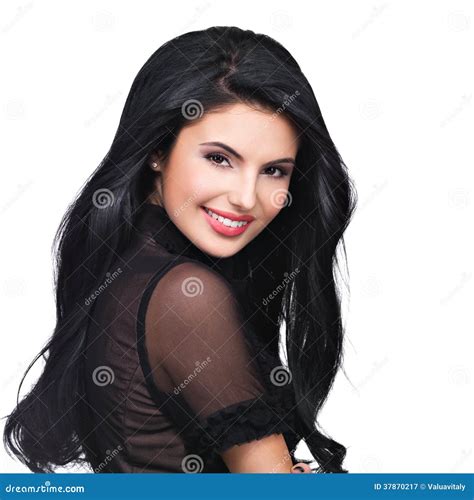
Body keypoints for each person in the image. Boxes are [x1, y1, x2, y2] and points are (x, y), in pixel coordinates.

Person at [3, 26, 356, 473]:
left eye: (274, 170)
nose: (246, 198)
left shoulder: (128, 263)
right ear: (157, 148)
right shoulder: (186, 297)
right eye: (219, 159)